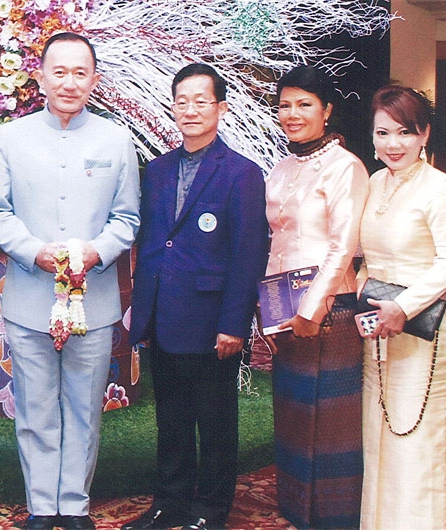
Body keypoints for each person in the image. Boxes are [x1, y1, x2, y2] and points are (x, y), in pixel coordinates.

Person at [0, 32, 140, 530]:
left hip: (93, 301)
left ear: (94, 78)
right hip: (29, 298)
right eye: (60, 72)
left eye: (80, 72)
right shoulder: (12, 137)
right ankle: (42, 505)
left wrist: (96, 252)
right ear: (41, 75)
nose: (70, 83)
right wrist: (34, 252)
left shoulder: (115, 139)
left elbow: (128, 218)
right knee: (34, 407)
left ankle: (75, 504)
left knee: (84, 407)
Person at [124, 64, 269, 530]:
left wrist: (234, 324)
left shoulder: (242, 173)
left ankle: (210, 510)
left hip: (212, 322)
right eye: (181, 101)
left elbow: (248, 255)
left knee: (216, 422)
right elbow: (152, 242)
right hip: (164, 317)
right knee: (171, 421)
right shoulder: (159, 169)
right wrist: (141, 313)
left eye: (201, 101)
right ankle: (168, 504)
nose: (190, 110)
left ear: (221, 108)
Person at [264, 65, 369, 528]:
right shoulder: (283, 166)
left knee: (329, 425)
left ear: (327, 110)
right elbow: (277, 242)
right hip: (283, 309)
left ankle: (332, 517)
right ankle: (296, 510)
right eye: (285, 104)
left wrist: (311, 310)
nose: (292, 114)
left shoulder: (346, 167)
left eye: (304, 104)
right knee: (293, 413)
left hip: (329, 310)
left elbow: (343, 246)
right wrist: (268, 314)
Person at [358, 85, 446, 529]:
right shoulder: (376, 182)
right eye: (383, 132)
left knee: (414, 441)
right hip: (376, 330)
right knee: (377, 439)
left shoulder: (441, 190)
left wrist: (405, 306)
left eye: (405, 132)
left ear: (424, 135)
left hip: (424, 332)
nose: (392, 144)